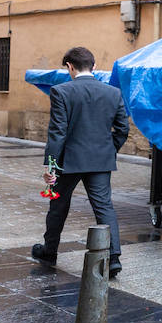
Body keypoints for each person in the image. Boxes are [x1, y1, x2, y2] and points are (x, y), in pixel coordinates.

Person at [32, 46, 130, 277]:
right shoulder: (113, 93)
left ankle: (50, 251)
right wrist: (107, 150)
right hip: (100, 160)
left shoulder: (61, 91)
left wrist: (51, 166)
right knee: (104, 207)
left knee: (58, 206)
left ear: (70, 67)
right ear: (94, 66)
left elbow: (57, 132)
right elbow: (122, 129)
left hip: (69, 162)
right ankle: (113, 258)